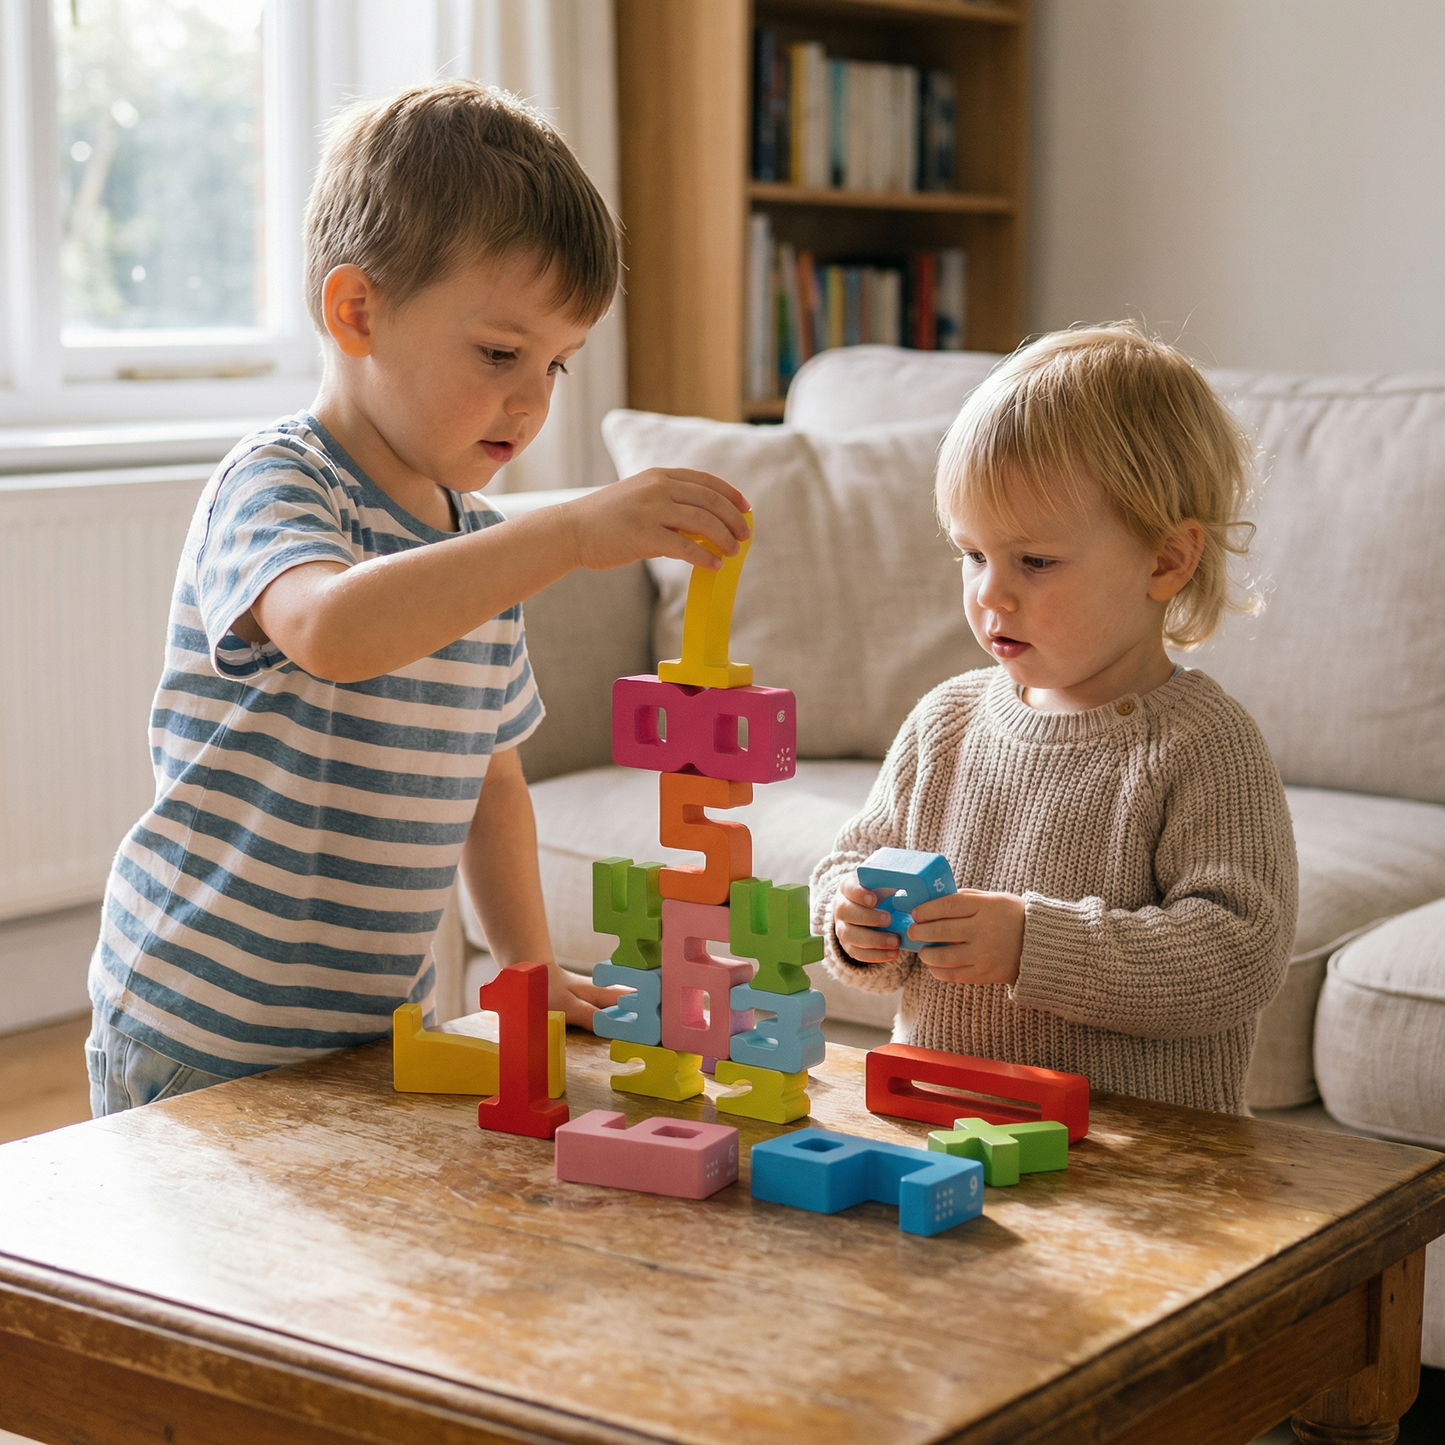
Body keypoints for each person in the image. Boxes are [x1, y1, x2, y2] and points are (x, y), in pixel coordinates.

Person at [84, 81, 750, 1116]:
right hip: (199, 1027)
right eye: (498, 353)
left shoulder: (478, 550)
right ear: (356, 312)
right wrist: (567, 531)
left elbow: (491, 786)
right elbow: (333, 628)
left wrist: (528, 971)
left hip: (365, 1034)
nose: (529, 401)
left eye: (555, 365)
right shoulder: (274, 480)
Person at [811, 323, 1297, 1114]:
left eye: (1033, 561)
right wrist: (849, 924)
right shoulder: (947, 721)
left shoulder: (1200, 743)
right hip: (941, 1116)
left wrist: (1035, 944)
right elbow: (850, 863)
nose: (990, 594)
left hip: (1141, 1158)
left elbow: (1237, 954)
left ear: (1165, 560)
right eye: (972, 555)